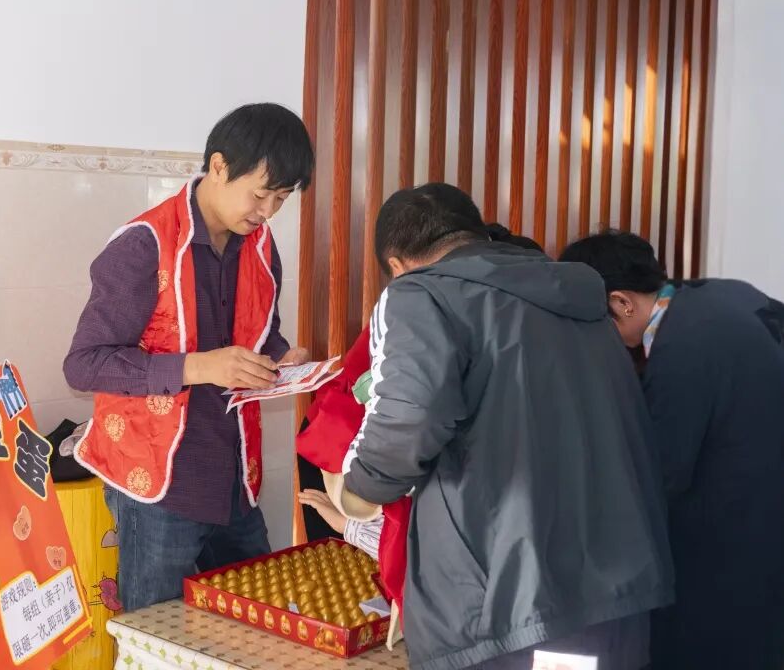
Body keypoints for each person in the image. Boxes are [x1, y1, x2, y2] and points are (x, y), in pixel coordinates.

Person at [336, 183, 673, 669]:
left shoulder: (419, 295)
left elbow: (409, 417)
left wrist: (362, 488)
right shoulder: (578, 300)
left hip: (516, 603)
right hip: (617, 590)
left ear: (397, 263)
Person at [63, 103, 314, 611]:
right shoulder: (144, 244)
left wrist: (283, 360)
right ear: (218, 166)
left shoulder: (260, 247)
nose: (267, 211)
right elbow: (84, 363)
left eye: (282, 199)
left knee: (253, 625)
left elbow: (261, 335)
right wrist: (199, 366)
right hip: (160, 485)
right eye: (260, 194)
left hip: (234, 476)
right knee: (153, 633)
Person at [295, 224, 544, 643]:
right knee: (349, 600)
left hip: (388, 463)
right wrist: (352, 520)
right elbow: (406, 435)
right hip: (354, 447)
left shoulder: (486, 313)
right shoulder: (436, 310)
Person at [560, 230, 784, 670]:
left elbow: (660, 474)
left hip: (730, 545)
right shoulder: (725, 295)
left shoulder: (681, 349)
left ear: (621, 302)